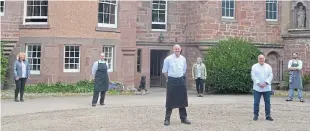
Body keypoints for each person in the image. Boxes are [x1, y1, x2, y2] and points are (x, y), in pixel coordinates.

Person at [162, 44, 191, 126]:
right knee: (170, 99)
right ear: (173, 50)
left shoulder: (183, 59)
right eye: (175, 49)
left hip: (181, 79)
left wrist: (180, 77)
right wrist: (169, 78)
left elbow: (184, 70)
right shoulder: (168, 59)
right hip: (172, 80)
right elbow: (164, 71)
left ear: (180, 49)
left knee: (182, 99)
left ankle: (183, 118)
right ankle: (167, 119)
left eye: (178, 49)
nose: (177, 50)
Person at [251, 54, 273, 121]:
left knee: (267, 102)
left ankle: (268, 116)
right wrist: (258, 83)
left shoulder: (268, 66)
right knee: (256, 102)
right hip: (257, 87)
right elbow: (253, 76)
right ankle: (255, 115)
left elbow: (271, 75)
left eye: (262, 58)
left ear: (264, 59)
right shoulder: (254, 66)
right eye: (260, 58)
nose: (261, 60)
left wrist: (266, 82)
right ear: (258, 59)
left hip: (266, 87)